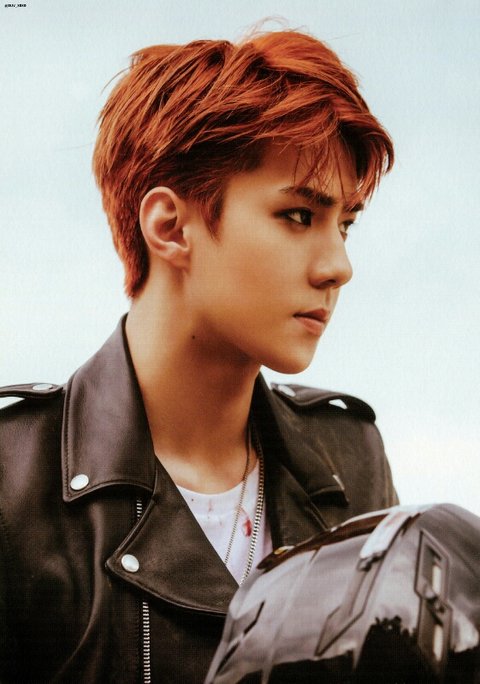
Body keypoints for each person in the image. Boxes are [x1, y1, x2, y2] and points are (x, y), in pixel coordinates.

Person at [0, 28, 396, 683]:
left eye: (345, 224)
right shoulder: (13, 481)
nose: (338, 266)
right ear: (170, 227)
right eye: (300, 216)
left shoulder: (350, 462)